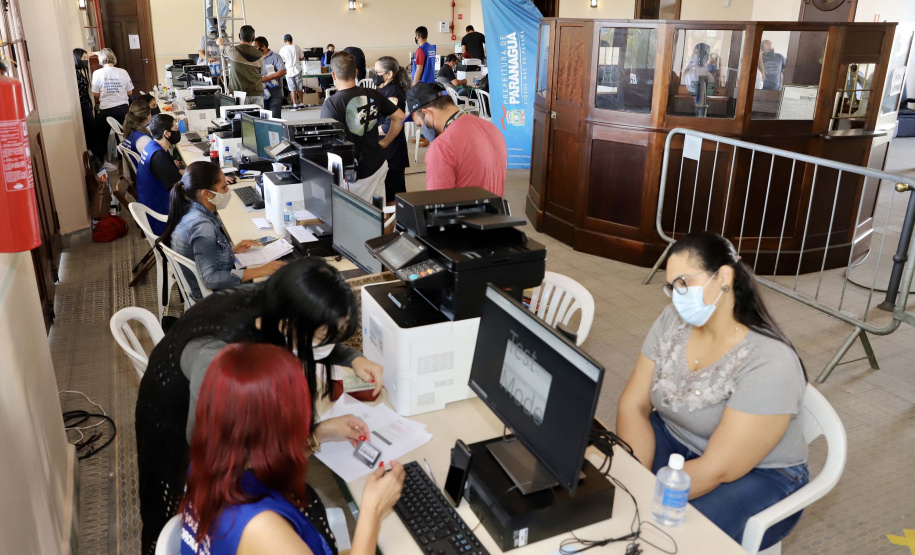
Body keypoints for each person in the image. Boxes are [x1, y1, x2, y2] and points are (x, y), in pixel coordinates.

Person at [135, 256, 386, 554]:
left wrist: (318, 433)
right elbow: (210, 440)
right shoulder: (218, 360)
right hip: (173, 428)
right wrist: (371, 511)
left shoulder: (269, 304)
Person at [617, 231, 809, 550]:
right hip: (677, 439)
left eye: (685, 282)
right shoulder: (672, 320)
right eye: (672, 286)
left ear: (724, 276)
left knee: (664, 541)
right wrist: (633, 477)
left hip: (757, 475)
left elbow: (718, 467)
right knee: (607, 496)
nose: (677, 296)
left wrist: (645, 495)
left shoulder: (770, 362)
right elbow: (634, 404)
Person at [179, 342, 404, 555]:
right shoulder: (260, 527)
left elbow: (269, 459)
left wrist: (321, 433)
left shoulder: (212, 458)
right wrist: (372, 510)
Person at [159, 162, 282, 300]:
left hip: (201, 289)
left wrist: (231, 251)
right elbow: (210, 279)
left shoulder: (189, 208)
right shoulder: (202, 227)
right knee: (275, 286)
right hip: (212, 299)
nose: (227, 191)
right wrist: (259, 270)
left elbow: (201, 253)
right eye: (223, 187)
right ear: (206, 194)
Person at [321, 51, 406, 202]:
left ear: (333, 75)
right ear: (356, 72)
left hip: (353, 173)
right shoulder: (374, 94)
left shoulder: (332, 103)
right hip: (378, 164)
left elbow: (327, 141)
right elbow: (400, 117)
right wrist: (386, 141)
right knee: (379, 211)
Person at [404, 82, 506, 196]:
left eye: (421, 124)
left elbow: (439, 204)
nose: (424, 130)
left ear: (428, 113)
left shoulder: (442, 147)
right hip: (495, 211)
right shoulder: (491, 128)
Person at [137, 114, 183, 235]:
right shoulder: (159, 157)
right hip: (160, 215)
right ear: (167, 133)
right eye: (175, 128)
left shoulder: (152, 146)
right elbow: (181, 187)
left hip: (149, 207)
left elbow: (170, 173)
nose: (178, 131)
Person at [373, 56, 411, 204]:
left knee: (392, 197)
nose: (375, 75)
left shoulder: (393, 92)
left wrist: (369, 132)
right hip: (386, 150)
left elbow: (390, 124)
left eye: (377, 72)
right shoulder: (384, 89)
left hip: (392, 150)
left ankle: (395, 227)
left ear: (389, 74)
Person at [91, 48, 133, 170]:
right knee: (123, 136)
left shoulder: (97, 73)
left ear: (101, 60)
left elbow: (95, 94)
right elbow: (130, 92)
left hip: (105, 110)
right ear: (114, 58)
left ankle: (101, 165)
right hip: (122, 109)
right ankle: (124, 163)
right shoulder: (123, 72)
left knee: (101, 138)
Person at [221, 25, 264, 107]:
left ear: (239, 36)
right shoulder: (260, 55)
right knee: (257, 119)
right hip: (256, 93)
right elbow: (261, 72)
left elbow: (222, 49)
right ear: (253, 38)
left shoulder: (232, 51)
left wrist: (219, 43)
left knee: (240, 119)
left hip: (239, 94)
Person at [254, 37, 287, 118]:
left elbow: (283, 71)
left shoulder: (275, 56)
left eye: (256, 47)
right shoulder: (255, 58)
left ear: (263, 47)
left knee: (275, 118)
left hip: (274, 94)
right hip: (261, 94)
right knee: (264, 118)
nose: (254, 49)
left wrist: (269, 78)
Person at [73, 48, 95, 158]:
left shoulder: (80, 72)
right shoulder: (74, 74)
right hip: (82, 106)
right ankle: (91, 153)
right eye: (84, 58)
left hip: (86, 104)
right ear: (77, 58)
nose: (86, 60)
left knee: (91, 129)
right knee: (89, 130)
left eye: (87, 58)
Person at [280, 34, 305, 110]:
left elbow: (282, 62)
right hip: (298, 69)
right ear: (291, 39)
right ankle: (302, 103)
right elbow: (302, 57)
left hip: (289, 71)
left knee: (292, 88)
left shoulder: (282, 49)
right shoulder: (296, 47)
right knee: (299, 87)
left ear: (284, 41)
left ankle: (295, 104)